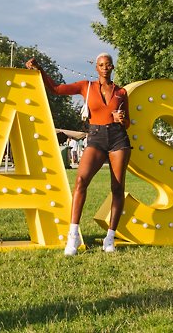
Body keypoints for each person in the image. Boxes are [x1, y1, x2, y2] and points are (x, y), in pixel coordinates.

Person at [26, 53, 131, 256]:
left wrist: (121, 119)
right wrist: (40, 69)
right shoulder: (87, 86)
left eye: (108, 65)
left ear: (112, 67)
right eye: (101, 65)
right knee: (81, 181)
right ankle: (72, 237)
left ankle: (110, 238)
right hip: (96, 137)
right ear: (96, 68)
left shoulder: (121, 92)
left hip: (118, 139)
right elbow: (57, 90)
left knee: (117, 188)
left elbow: (127, 123)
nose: (104, 68)